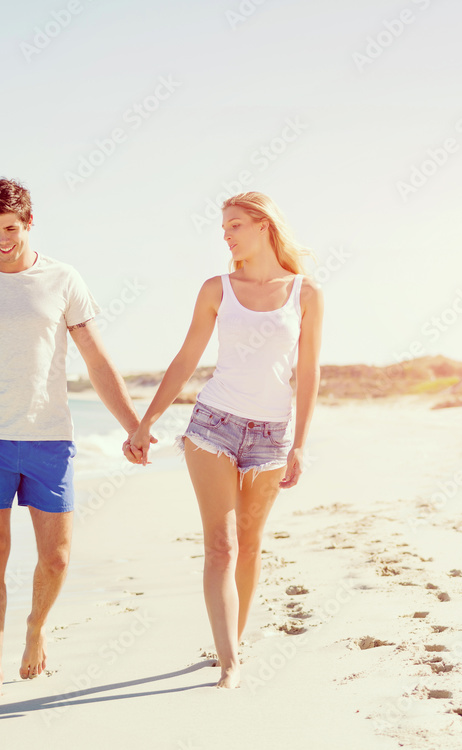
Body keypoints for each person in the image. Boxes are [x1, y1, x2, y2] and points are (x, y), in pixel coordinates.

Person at [0, 178, 142, 705]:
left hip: (48, 438)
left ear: (30, 223)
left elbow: (96, 359)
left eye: (11, 229)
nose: (2, 240)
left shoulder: (63, 279)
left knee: (56, 558)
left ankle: (36, 628)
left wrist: (132, 424)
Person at [124, 191, 324, 689]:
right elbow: (187, 357)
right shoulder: (217, 289)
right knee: (221, 543)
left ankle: (232, 640)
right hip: (213, 425)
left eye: (236, 225)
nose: (228, 235)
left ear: (263, 226)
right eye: (224, 228)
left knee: (251, 545)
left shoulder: (306, 293)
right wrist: (146, 421)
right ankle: (229, 661)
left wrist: (300, 442)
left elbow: (309, 371)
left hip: (271, 435)